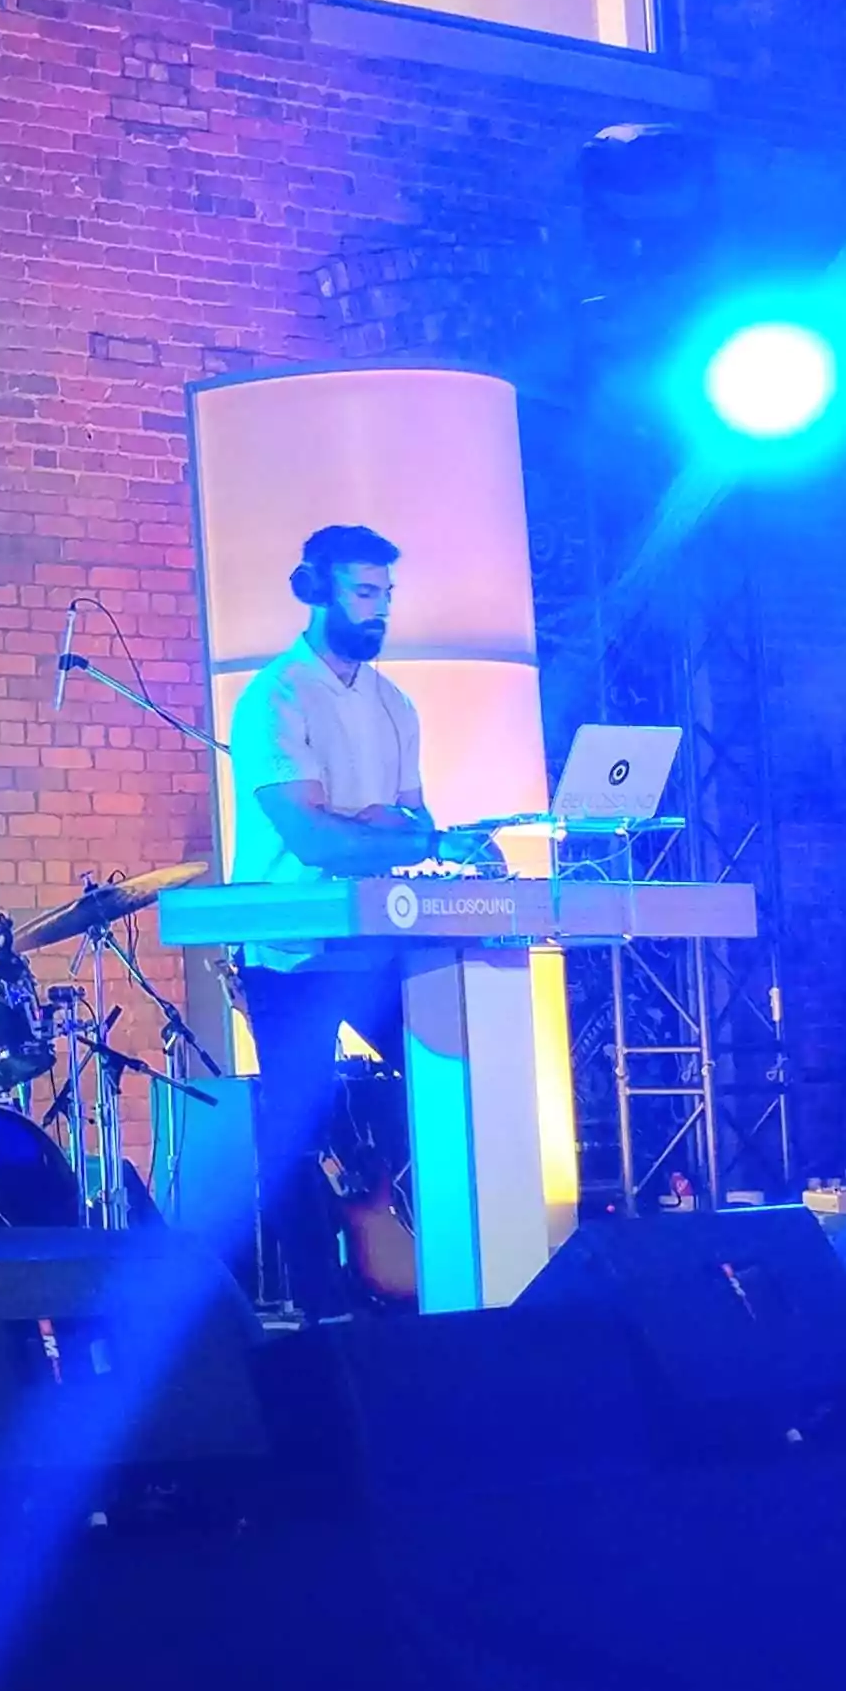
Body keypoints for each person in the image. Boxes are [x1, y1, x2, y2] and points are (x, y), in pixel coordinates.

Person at [226, 524, 498, 1320]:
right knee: (294, 1136)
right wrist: (400, 833)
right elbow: (311, 837)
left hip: (377, 945)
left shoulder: (395, 703)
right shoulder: (274, 696)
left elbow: (411, 822)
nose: (380, 612)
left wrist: (406, 832)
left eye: (387, 596)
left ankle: (440, 1275)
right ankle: (320, 1310)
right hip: (292, 954)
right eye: (365, 594)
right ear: (315, 590)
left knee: (447, 1095)